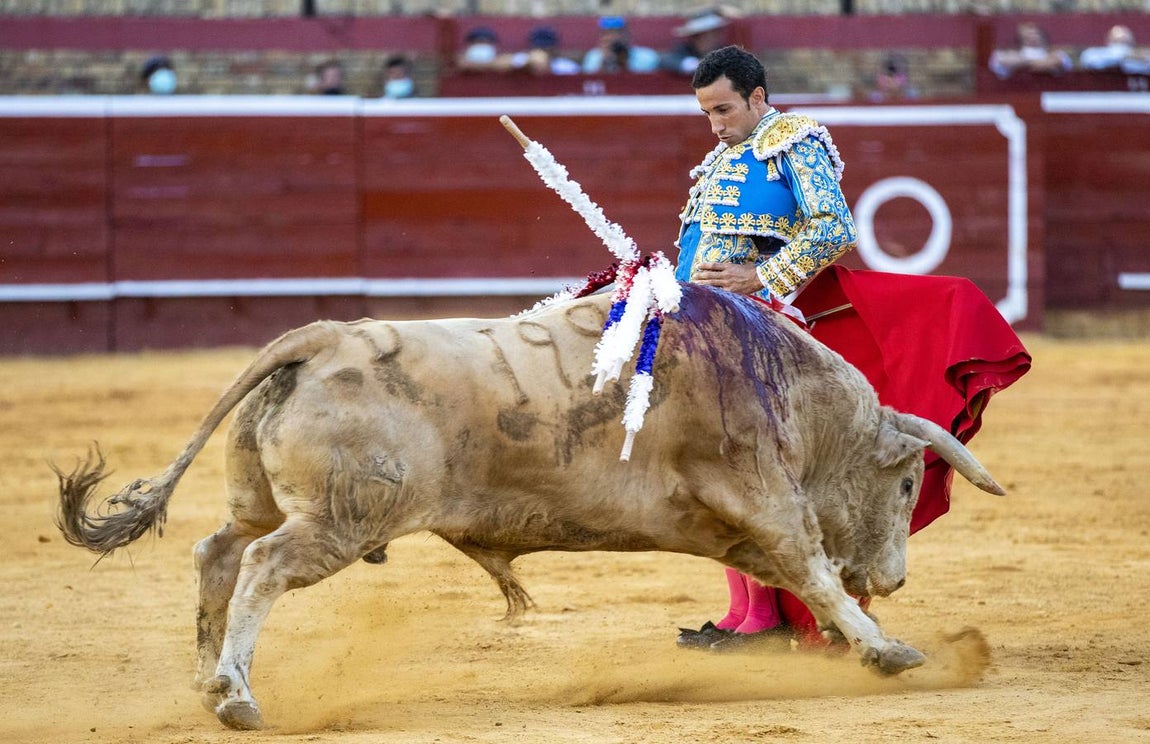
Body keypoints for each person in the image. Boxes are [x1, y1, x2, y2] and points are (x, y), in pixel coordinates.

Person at [673, 46, 1030, 653]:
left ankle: (766, 618)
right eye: (707, 113)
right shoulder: (718, 160)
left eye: (725, 109)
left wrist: (763, 279)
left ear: (758, 98)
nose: (716, 124)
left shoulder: (796, 142)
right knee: (716, 461)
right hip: (706, 325)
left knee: (746, 463)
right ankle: (746, 611)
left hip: (768, 329)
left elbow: (833, 227)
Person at [987, 22, 1072, 79]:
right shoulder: (1009, 54)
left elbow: (1058, 61)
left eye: (1035, 33)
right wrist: (1041, 64)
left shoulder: (1056, 54)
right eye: (1028, 34)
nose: (1032, 36)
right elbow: (1002, 60)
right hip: (1017, 94)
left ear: (1042, 36)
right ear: (1021, 37)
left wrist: (1021, 65)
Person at [660, 9, 731, 76]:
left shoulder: (725, 53)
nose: (704, 39)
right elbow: (666, 60)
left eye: (708, 34)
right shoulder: (684, 49)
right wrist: (693, 64)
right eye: (698, 35)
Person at [581, 16, 659, 74]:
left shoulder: (647, 56)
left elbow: (645, 83)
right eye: (607, 34)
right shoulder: (593, 57)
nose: (612, 38)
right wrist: (605, 61)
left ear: (628, 35)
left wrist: (624, 60)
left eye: (617, 33)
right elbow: (591, 83)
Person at [511, 25, 581, 75]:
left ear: (554, 47)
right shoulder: (523, 59)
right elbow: (502, 63)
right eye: (539, 47)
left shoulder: (567, 66)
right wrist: (526, 63)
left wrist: (547, 66)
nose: (543, 51)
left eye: (546, 47)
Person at [1078, 24, 1150, 73]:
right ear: (1109, 41)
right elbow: (1088, 60)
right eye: (1117, 41)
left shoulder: (1139, 57)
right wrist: (1122, 56)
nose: (1121, 47)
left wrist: (1139, 58)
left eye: (1124, 41)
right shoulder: (1096, 54)